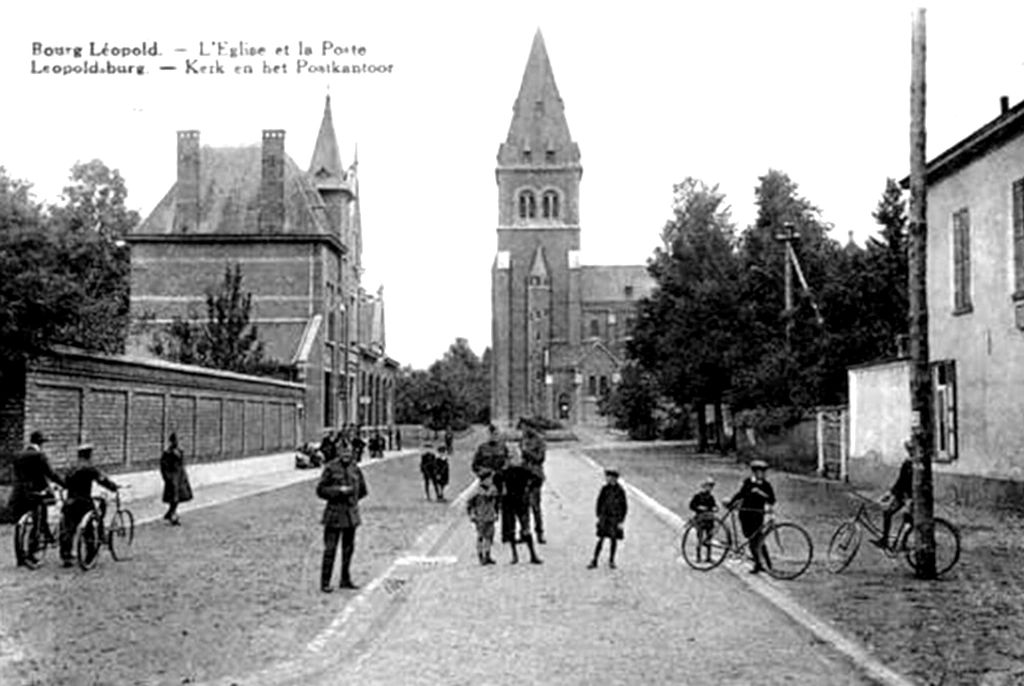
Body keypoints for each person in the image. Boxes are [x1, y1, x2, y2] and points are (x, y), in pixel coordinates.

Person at [317, 446, 369, 592]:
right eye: (344, 452)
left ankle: (345, 579)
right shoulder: (330, 468)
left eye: (349, 452)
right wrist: (338, 491)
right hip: (334, 515)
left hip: (350, 516)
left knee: (348, 550)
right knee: (330, 550)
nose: (346, 455)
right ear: (339, 453)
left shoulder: (355, 468)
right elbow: (320, 490)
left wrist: (352, 501)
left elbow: (363, 490)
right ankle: (325, 582)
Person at [10, 430, 65, 567]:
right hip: (34, 493)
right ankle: (32, 554)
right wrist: (65, 484)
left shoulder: (18, 455)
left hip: (18, 494)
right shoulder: (39, 455)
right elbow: (50, 474)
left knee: (20, 526)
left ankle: (20, 557)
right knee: (38, 522)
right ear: (41, 443)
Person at [60, 444, 120, 568]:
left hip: (70, 501)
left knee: (68, 529)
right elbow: (102, 480)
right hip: (84, 502)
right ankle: (90, 554)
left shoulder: (71, 467)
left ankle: (66, 556)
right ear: (89, 454)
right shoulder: (90, 468)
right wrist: (114, 487)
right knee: (90, 528)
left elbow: (65, 482)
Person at [726, 459, 776, 574]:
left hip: (757, 515)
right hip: (745, 514)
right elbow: (741, 494)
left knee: (758, 540)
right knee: (750, 539)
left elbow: (772, 500)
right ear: (754, 472)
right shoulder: (748, 482)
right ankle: (759, 563)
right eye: (760, 472)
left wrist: (761, 493)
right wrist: (731, 502)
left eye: (763, 472)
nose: (762, 474)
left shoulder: (766, 485)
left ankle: (765, 565)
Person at [495, 449, 542, 564]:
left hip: (514, 502)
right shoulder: (519, 471)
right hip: (517, 502)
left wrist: (501, 490)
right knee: (520, 528)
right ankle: (529, 555)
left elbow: (496, 479)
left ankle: (520, 555)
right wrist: (528, 488)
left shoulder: (514, 471)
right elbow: (537, 479)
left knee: (519, 529)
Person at [874, 442, 915, 549]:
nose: (910, 452)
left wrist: (909, 499)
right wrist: (890, 493)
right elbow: (901, 481)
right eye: (909, 450)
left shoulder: (915, 465)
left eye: (911, 450)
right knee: (888, 513)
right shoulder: (907, 463)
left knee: (907, 520)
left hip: (909, 497)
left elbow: (910, 483)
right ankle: (886, 540)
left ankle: (899, 543)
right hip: (903, 495)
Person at [588, 468, 628, 569]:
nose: (607, 479)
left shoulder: (620, 491)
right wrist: (598, 515)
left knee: (613, 540)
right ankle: (594, 560)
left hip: (614, 519)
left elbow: (624, 507)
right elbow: (599, 502)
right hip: (604, 518)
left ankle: (611, 560)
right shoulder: (604, 489)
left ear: (614, 478)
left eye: (609, 477)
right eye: (607, 477)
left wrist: (621, 520)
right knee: (600, 539)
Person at [519, 421, 547, 544]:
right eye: (522, 428)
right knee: (523, 506)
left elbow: (540, 458)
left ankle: (539, 533)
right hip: (523, 475)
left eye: (525, 428)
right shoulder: (523, 440)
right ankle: (524, 532)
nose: (523, 430)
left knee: (535, 506)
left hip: (535, 475)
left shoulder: (539, 440)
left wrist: (527, 452)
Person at [466, 469, 500, 565]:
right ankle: (480, 556)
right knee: (481, 536)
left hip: (490, 516)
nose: (491, 481)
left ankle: (488, 555)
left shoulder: (493, 489)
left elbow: (496, 503)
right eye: (489, 479)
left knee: (489, 537)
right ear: (483, 480)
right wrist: (472, 514)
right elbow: (469, 504)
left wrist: (496, 513)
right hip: (480, 517)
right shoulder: (476, 491)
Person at [159, 433, 192, 526]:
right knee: (174, 498)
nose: (176, 442)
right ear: (171, 442)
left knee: (178, 498)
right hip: (172, 478)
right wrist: (167, 478)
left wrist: (184, 476)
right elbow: (163, 467)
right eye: (174, 440)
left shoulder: (180, 452)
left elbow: (182, 464)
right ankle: (173, 516)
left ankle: (170, 513)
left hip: (180, 477)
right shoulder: (167, 453)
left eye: (177, 440)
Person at [688, 476, 719, 562]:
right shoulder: (698, 496)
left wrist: (715, 508)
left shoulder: (711, 497)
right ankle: (698, 556)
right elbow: (692, 506)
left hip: (709, 520)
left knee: (709, 538)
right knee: (700, 538)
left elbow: (714, 506)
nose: (709, 488)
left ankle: (708, 557)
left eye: (710, 487)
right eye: (707, 486)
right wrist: (699, 508)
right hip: (700, 520)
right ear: (704, 486)